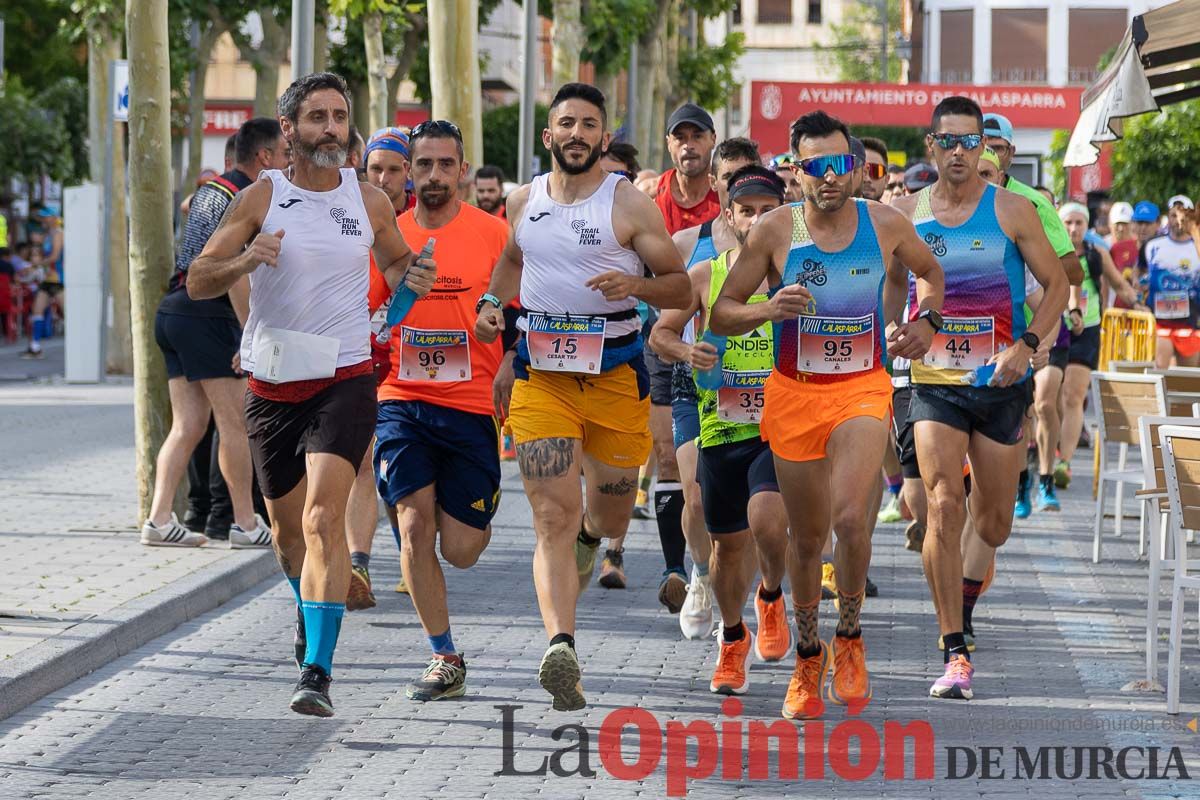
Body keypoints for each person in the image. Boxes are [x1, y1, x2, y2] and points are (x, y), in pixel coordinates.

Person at [187, 72, 437, 718]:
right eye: (318, 117)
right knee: (288, 539)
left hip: (346, 378)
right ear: (290, 128)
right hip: (273, 385)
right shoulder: (262, 199)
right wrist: (246, 261)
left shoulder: (370, 200)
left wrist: (411, 288)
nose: (331, 127)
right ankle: (309, 610)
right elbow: (197, 279)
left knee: (323, 520)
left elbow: (398, 274)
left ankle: (317, 673)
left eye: (339, 116)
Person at [710, 110, 945, 719]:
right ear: (796, 171)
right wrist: (768, 309)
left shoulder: (886, 222)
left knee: (851, 519)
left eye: (843, 164)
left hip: (862, 389)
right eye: (816, 165)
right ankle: (808, 655)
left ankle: (850, 637)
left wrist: (926, 321)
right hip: (794, 394)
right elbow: (722, 312)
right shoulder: (773, 231)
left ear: (857, 168)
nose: (832, 176)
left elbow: (931, 274)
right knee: (807, 539)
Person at [473, 82, 689, 711]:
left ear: (603, 135)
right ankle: (560, 645)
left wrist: (633, 284)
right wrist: (492, 306)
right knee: (549, 516)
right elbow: (512, 263)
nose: (575, 134)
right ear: (549, 136)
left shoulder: (627, 206)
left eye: (587, 124)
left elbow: (680, 289)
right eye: (565, 123)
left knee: (611, 512)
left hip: (617, 380)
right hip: (542, 377)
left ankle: (597, 538)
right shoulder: (524, 200)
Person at [891, 96, 1067, 701]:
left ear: (984, 148)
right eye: (951, 141)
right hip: (936, 383)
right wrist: (894, 332)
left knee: (992, 521)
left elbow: (1059, 283)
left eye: (972, 141)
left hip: (1000, 384)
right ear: (932, 146)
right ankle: (954, 648)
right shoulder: (905, 214)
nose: (961, 152)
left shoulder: (1013, 211)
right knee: (941, 503)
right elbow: (893, 282)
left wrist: (1027, 343)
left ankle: (964, 596)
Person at [366, 119, 508, 701]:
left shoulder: (495, 235)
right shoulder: (388, 236)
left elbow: (524, 312)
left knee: (462, 550)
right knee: (413, 527)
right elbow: (367, 320)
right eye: (422, 165)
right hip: (402, 399)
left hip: (473, 405)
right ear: (408, 171)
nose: (432, 176)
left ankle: (471, 520)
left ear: (463, 171)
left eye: (444, 165)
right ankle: (443, 656)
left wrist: (510, 363)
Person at [653, 165, 793, 692]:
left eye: (767, 210)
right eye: (747, 210)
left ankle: (773, 594)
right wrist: (689, 350)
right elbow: (660, 334)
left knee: (769, 518)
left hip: (780, 426)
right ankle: (733, 637)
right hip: (722, 428)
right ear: (729, 218)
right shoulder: (706, 275)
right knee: (727, 548)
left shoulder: (798, 274)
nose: (757, 219)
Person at [142, 118, 289, 550]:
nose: (286, 163)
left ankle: (159, 518)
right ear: (264, 157)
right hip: (207, 314)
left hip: (172, 311)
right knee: (235, 423)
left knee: (188, 425)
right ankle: (245, 523)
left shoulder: (209, 189)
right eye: (283, 155)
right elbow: (237, 273)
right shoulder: (244, 198)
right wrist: (249, 338)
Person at [657, 136, 762, 638]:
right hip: (697, 388)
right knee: (696, 497)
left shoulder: (785, 253)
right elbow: (661, 329)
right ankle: (702, 573)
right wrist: (686, 351)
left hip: (765, 392)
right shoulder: (690, 247)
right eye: (733, 181)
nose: (746, 195)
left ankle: (738, 600)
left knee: (757, 509)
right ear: (718, 190)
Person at [646, 102, 721, 615]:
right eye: (680, 137)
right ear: (669, 145)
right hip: (664, 334)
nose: (689, 144)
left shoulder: (732, 202)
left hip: (726, 351)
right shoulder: (650, 203)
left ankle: (718, 561)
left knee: (714, 469)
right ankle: (678, 568)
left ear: (712, 141)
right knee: (669, 457)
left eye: (698, 136)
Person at [342, 125, 418, 608]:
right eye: (375, 169)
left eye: (393, 169)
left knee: (399, 473)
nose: (384, 178)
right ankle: (358, 567)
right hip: (360, 356)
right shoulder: (348, 213)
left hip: (416, 363)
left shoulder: (419, 221)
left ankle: (413, 555)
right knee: (363, 462)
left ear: (407, 172)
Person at [1054, 202, 1141, 489]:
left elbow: (1119, 285)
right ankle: (1052, 444)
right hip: (1054, 329)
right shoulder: (1047, 250)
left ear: (1087, 225)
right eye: (1068, 223)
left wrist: (1139, 305)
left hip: (1087, 329)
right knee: (1050, 398)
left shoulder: (1096, 254)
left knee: (1073, 395)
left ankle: (1064, 462)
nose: (1073, 229)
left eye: (1079, 223)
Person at [1144, 195, 1200, 367]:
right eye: (1173, 215)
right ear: (1167, 217)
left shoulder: (1196, 246)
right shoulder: (1152, 246)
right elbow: (1138, 275)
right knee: (1160, 372)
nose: (1178, 220)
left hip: (1190, 322)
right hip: (1160, 323)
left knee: (1189, 382)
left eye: (1183, 216)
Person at [21, 208, 64, 359]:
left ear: (54, 218)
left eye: (46, 217)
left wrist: (35, 265)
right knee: (37, 311)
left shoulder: (58, 233)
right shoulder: (48, 235)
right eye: (42, 218)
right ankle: (35, 347)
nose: (43, 220)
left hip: (60, 280)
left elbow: (55, 256)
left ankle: (84, 347)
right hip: (47, 280)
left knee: (68, 314)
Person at [859, 137, 890, 202]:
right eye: (862, 171)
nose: (867, 179)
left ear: (886, 180)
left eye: (876, 171)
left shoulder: (897, 212)